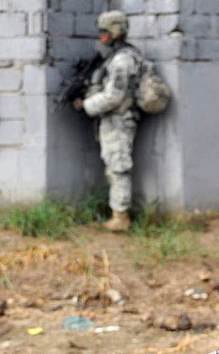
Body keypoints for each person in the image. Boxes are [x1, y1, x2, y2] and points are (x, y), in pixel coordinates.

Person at [73, 10, 143, 231]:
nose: (101, 36)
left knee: (118, 165)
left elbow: (115, 96)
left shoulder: (122, 60)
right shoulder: (116, 56)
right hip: (113, 119)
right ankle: (117, 212)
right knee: (113, 164)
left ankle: (121, 217)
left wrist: (86, 105)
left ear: (116, 32)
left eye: (105, 31)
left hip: (119, 119)